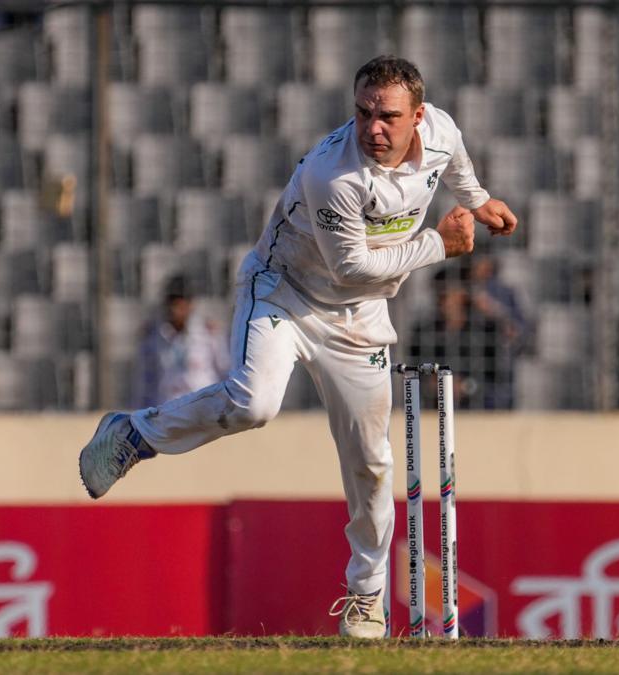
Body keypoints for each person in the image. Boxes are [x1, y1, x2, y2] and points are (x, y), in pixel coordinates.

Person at [78, 55, 517, 638]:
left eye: (387, 116)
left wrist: (478, 197)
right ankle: (134, 433)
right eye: (362, 113)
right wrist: (440, 244)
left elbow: (454, 164)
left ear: (418, 114)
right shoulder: (332, 174)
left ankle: (366, 598)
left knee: (371, 462)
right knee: (254, 404)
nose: (372, 128)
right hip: (284, 291)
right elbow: (353, 267)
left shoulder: (441, 131)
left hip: (358, 318)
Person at [408, 266, 511, 410]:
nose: (442, 300)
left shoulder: (485, 330)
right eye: (438, 293)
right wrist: (430, 383)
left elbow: (499, 377)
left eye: (447, 293)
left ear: (463, 294)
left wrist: (466, 386)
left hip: (479, 412)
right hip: (435, 410)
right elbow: (412, 371)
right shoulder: (424, 331)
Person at [133, 275, 229, 408]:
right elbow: (145, 380)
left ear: (190, 305)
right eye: (172, 303)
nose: (175, 309)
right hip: (166, 408)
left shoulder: (208, 333)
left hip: (202, 409)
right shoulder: (153, 335)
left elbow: (224, 370)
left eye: (180, 303)